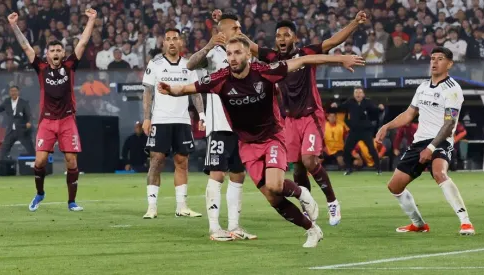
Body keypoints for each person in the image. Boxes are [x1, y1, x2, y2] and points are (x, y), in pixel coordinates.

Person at [158, 37, 365, 247]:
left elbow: (304, 61)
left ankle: (302, 192)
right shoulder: (220, 79)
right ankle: (312, 230)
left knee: (275, 184)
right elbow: (185, 89)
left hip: (272, 137)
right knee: (272, 198)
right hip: (247, 145)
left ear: (248, 54)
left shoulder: (265, 71)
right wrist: (170, 89)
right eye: (229, 54)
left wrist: (341, 59)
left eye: (237, 52)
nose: (232, 58)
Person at [241, 12, 367, 226]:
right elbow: (249, 46)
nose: (281, 39)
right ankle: (307, 206)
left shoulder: (306, 53)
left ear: (295, 38)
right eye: (279, 35)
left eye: (286, 35)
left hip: (311, 115)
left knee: (309, 160)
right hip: (289, 120)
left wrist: (354, 22)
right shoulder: (273, 58)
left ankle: (332, 201)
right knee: (298, 167)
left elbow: (333, 41)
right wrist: (231, 29)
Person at [375, 47, 475, 235]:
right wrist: (386, 126)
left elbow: (449, 124)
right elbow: (409, 114)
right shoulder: (422, 88)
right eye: (432, 59)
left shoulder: (453, 90)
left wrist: (431, 147)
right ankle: (419, 224)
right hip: (419, 141)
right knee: (394, 186)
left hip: (441, 140)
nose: (434, 62)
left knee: (439, 173)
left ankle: (465, 222)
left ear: (449, 64)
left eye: (440, 59)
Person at [8, 9, 98, 212]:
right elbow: (25, 46)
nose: (56, 54)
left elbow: (82, 42)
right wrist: (14, 25)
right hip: (47, 121)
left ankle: (71, 202)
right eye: (53, 51)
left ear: (63, 53)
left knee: (71, 161)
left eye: (59, 50)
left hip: (67, 119)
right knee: (39, 161)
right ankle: (40, 193)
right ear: (47, 54)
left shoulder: (69, 66)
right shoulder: (40, 67)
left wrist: (91, 20)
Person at [186, 12, 256, 241]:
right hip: (220, 126)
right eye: (235, 28)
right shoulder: (215, 54)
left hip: (242, 127)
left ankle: (234, 226)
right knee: (217, 174)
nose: (240, 30)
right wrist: (208, 44)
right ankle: (215, 228)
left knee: (238, 174)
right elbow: (190, 64)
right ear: (223, 31)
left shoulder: (246, 54)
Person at [141, 28, 202, 219]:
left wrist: (202, 114)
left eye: (175, 38)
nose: (172, 42)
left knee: (182, 162)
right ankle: (152, 207)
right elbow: (148, 92)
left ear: (181, 42)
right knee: (156, 161)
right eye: (168, 39)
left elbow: (196, 92)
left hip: (182, 120)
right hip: (160, 119)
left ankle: (182, 206)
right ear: (164, 44)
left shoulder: (188, 65)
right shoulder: (155, 64)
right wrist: (147, 117)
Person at [331, 87, 384, 175]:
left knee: (372, 149)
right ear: (354, 94)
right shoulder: (350, 102)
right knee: (347, 149)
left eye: (360, 92)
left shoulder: (367, 102)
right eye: (356, 92)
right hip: (354, 131)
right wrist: (335, 106)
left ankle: (379, 169)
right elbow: (341, 107)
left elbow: (376, 110)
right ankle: (348, 169)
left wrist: (381, 108)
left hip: (365, 131)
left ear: (363, 94)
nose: (358, 94)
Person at [0, 86, 35, 159]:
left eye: (15, 91)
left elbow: (29, 115)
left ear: (18, 92)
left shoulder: (23, 102)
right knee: (4, 150)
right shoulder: (7, 101)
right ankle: (4, 166)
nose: (13, 93)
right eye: (11, 91)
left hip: (22, 130)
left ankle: (35, 167)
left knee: (30, 150)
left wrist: (29, 122)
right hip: (10, 131)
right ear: (9, 92)